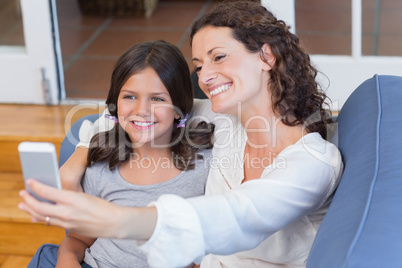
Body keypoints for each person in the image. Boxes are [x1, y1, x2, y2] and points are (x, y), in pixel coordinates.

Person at [19, 1, 344, 267]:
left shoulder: (313, 163)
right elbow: (122, 114)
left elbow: (239, 215)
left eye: (218, 57)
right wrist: (75, 162)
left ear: (266, 56)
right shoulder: (224, 120)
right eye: (199, 65)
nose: (205, 77)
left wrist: (116, 220)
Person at [26, 40, 214, 268]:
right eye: (130, 97)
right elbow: (79, 238)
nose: (141, 111)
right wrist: (66, 260)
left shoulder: (204, 166)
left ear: (179, 108)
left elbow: (205, 251)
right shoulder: (101, 166)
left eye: (157, 99)